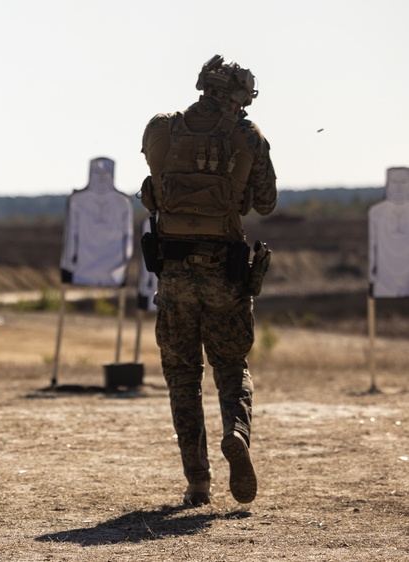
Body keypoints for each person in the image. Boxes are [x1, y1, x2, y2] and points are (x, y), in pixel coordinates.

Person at [140, 55, 277, 506]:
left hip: (175, 275)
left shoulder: (163, 128)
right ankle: (236, 432)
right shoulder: (246, 135)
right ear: (238, 96)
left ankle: (197, 482)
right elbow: (267, 202)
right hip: (224, 273)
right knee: (231, 368)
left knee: (182, 377)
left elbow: (151, 191)